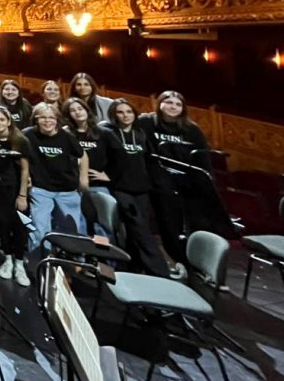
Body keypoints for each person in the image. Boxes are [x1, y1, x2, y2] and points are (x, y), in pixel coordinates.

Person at [138, 89, 212, 266]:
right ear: (160, 104)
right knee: (166, 222)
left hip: (185, 183)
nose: (173, 107)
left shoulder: (192, 129)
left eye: (178, 104)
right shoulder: (146, 122)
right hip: (156, 181)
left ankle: (191, 262)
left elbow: (203, 159)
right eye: (169, 102)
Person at [99, 99, 171, 277]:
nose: (125, 116)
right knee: (139, 228)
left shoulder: (140, 134)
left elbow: (149, 161)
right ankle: (160, 272)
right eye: (121, 112)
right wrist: (105, 176)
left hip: (142, 189)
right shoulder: (108, 133)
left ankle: (133, 268)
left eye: (129, 112)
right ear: (114, 115)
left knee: (136, 231)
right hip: (121, 188)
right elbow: (101, 157)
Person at [23, 102, 89, 253]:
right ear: (36, 119)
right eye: (43, 117)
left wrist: (84, 178)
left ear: (57, 120)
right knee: (39, 230)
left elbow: (82, 154)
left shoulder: (67, 136)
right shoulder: (27, 135)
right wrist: (26, 177)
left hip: (67, 190)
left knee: (72, 230)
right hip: (40, 189)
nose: (47, 121)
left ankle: (75, 261)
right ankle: (41, 261)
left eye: (51, 118)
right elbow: (20, 157)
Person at [0, 107, 32, 286]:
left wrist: (22, 195)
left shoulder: (20, 140)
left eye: (1, 119)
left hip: (15, 190)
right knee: (2, 226)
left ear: (9, 121)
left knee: (19, 226)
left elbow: (25, 170)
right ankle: (8, 259)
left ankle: (19, 263)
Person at [62, 97, 111, 237]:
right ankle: (83, 250)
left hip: (98, 185)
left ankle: (105, 250)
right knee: (79, 223)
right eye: (72, 110)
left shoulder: (103, 132)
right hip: (74, 186)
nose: (77, 112)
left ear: (87, 110)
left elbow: (118, 158)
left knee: (103, 223)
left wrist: (108, 175)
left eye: (80, 108)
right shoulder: (65, 133)